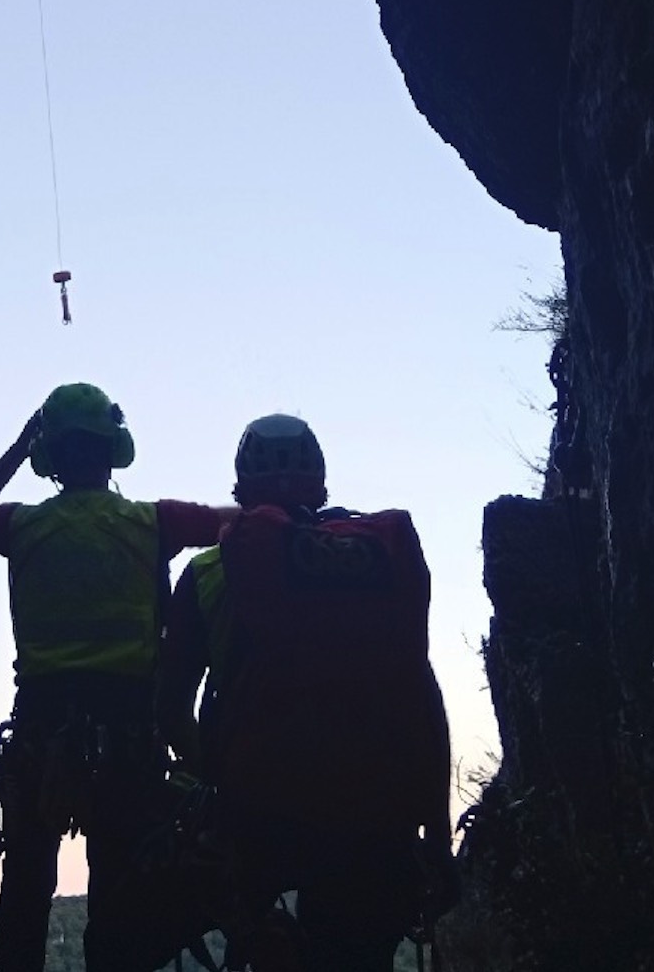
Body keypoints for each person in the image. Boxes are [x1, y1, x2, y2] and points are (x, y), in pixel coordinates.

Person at [156, 413, 457, 970]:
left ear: (240, 489)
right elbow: (422, 695)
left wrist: (219, 784)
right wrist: (436, 834)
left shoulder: (207, 573)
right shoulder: (377, 558)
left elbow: (170, 709)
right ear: (321, 486)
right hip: (379, 812)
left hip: (263, 813)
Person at [0, 383, 228, 972]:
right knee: (119, 899)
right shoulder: (153, 522)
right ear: (111, 450)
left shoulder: (22, 526)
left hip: (42, 731)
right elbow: (238, 525)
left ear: (50, 459)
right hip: (128, 735)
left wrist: (18, 449)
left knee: (26, 891)